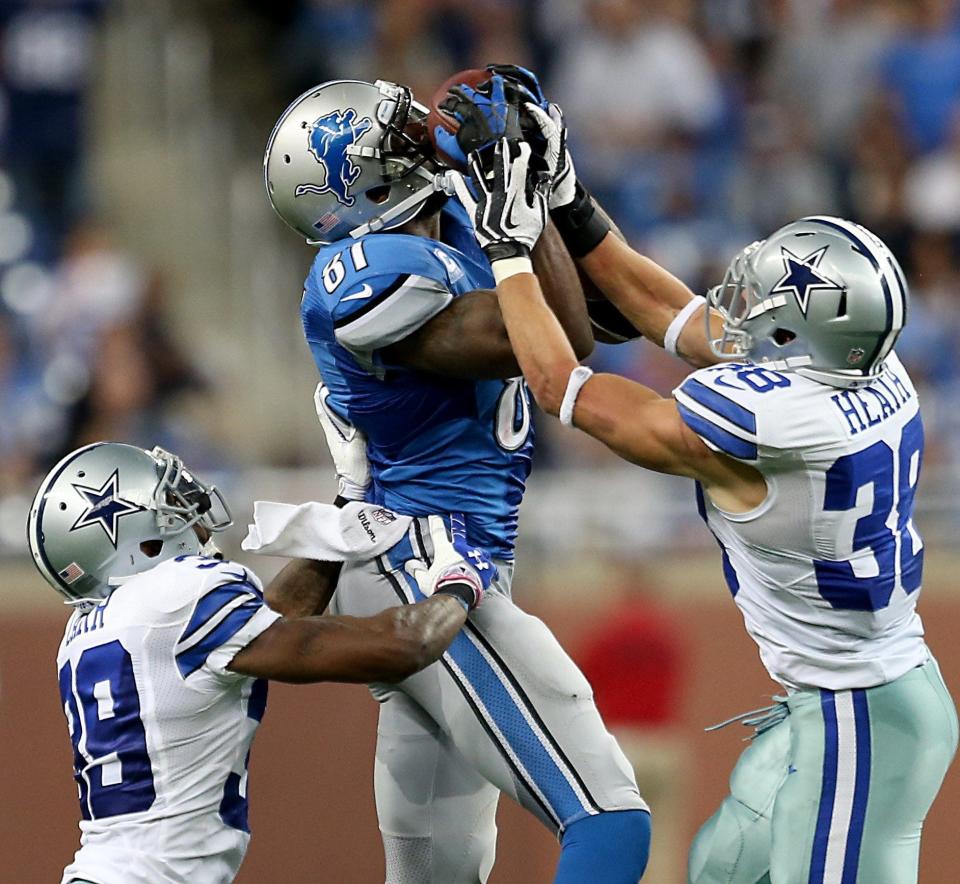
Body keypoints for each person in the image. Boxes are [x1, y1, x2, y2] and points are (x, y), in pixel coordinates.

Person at [447, 96, 958, 884]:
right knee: (720, 869)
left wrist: (509, 247)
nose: (740, 304)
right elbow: (673, 314)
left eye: (767, 309)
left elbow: (560, 384)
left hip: (859, 710)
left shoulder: (777, 421)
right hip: (844, 696)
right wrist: (564, 194)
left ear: (798, 336)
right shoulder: (865, 365)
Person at [262, 72, 668, 883]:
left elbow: (602, 314)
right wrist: (514, 224)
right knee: (610, 821)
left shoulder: (452, 240)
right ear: (363, 175)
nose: (424, 127)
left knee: (438, 876)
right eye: (399, 130)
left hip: (429, 562)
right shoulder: (363, 270)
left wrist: (551, 188)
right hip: (430, 562)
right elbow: (553, 340)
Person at [28, 441, 491, 884]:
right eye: (167, 500)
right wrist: (461, 585)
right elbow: (402, 646)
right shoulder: (179, 596)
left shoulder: (92, 629)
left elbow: (270, 620)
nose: (185, 501)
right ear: (140, 540)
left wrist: (344, 508)